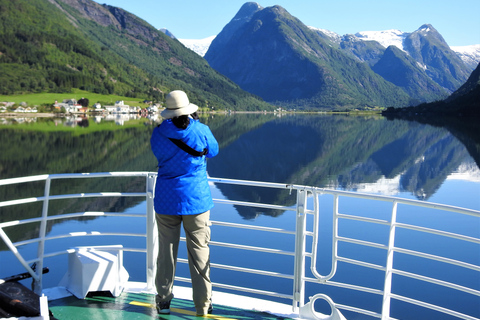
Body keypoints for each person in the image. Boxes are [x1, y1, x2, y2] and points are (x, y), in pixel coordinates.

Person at [150, 90, 219, 316]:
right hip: (196, 201)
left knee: (166, 252)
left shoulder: (158, 134)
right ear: (189, 110)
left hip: (166, 199)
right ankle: (203, 305)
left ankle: (163, 301)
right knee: (199, 252)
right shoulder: (201, 130)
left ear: (168, 112)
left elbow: (158, 155)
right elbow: (214, 152)